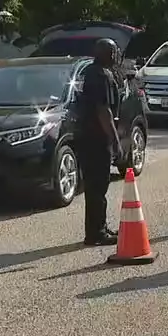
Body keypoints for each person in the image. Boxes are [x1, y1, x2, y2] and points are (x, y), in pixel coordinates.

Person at [74, 38, 122, 247]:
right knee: (97, 187)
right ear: (109, 54)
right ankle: (96, 233)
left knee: (94, 187)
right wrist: (115, 140)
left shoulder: (89, 72)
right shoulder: (102, 75)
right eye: (115, 51)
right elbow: (104, 111)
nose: (117, 55)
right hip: (96, 139)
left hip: (85, 136)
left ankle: (98, 227)